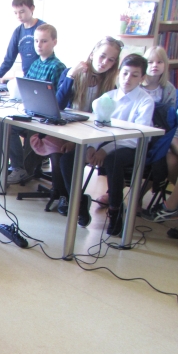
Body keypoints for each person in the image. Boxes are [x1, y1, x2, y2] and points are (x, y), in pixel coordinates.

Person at [59, 54, 154, 236]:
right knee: (67, 160)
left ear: (142, 78)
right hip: (103, 143)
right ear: (119, 73)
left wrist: (105, 149)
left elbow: (137, 136)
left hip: (131, 146)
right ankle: (79, 203)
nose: (128, 79)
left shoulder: (145, 101)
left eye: (135, 75)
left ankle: (115, 210)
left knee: (113, 160)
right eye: (125, 73)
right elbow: (97, 127)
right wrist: (91, 147)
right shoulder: (108, 97)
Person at [54, 36, 124, 210]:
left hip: (92, 135)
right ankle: (67, 198)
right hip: (67, 128)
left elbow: (104, 121)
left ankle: (74, 202)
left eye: (111, 60)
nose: (105, 62)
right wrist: (71, 76)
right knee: (57, 151)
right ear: (92, 54)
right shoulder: (73, 73)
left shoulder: (112, 84)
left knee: (67, 157)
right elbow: (57, 105)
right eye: (102, 56)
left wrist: (81, 142)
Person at [6, 24, 66, 184]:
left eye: (44, 41)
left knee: (28, 130)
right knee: (8, 126)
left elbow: (58, 100)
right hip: (32, 112)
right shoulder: (35, 64)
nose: (39, 45)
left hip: (46, 119)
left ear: (54, 42)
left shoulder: (57, 67)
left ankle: (23, 169)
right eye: (36, 41)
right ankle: (18, 166)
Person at [0, 0, 46, 83]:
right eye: (15, 13)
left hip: (41, 79)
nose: (18, 16)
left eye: (22, 12)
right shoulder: (18, 32)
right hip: (26, 79)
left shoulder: (42, 28)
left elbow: (47, 57)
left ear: (32, 8)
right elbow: (8, 60)